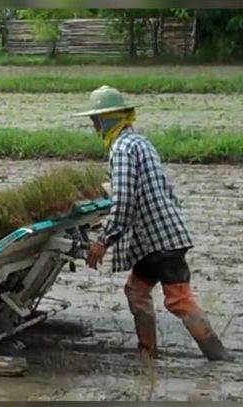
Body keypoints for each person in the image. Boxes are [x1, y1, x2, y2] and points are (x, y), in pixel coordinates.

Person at [74, 85, 233, 362]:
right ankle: (147, 354)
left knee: (179, 299)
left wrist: (103, 242)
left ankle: (218, 356)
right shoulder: (140, 142)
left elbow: (124, 201)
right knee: (136, 291)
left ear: (108, 119)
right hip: (159, 237)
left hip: (159, 241)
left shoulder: (122, 149)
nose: (94, 127)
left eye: (95, 121)